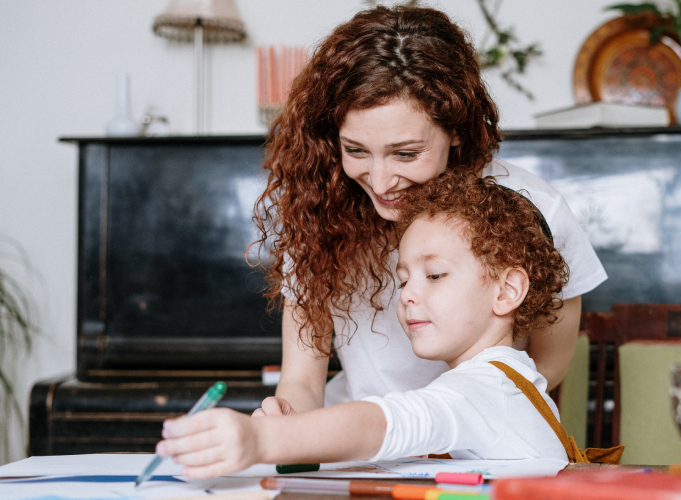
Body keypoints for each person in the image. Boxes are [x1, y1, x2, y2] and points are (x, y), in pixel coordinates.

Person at [252, 5, 606, 420]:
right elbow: (303, 380)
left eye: (405, 153)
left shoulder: (535, 210)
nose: (381, 183)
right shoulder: (319, 211)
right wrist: (287, 419)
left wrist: (445, 428)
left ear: (455, 128)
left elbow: (547, 366)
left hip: (476, 435)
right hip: (356, 442)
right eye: (356, 151)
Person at [156, 175, 573, 477]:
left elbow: (385, 422)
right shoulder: (503, 379)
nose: (407, 294)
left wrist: (262, 440)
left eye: (435, 275)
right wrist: (296, 431)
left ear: (507, 290)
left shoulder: (486, 388)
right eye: (403, 278)